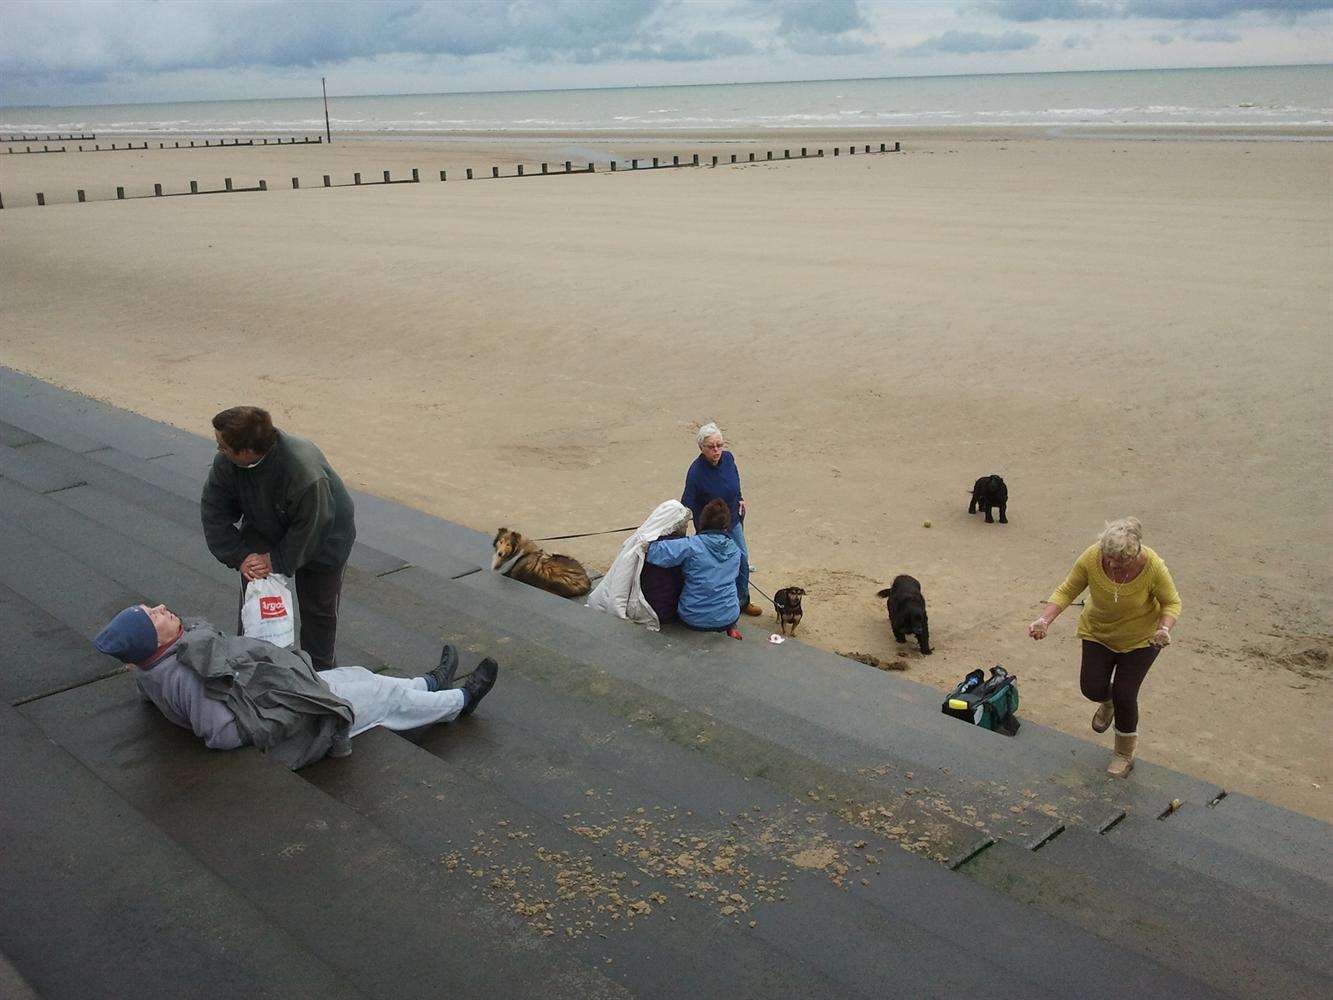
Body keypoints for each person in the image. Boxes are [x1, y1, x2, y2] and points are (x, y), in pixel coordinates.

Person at [93, 604, 498, 768]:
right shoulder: (186, 674)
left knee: (358, 674)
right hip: (295, 720)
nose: (163, 609)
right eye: (154, 616)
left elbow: (150, 691)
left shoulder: (152, 666)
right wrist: (288, 708)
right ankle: (458, 703)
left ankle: (426, 684)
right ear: (156, 641)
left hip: (281, 689)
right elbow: (222, 732)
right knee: (381, 697)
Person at [201, 406, 356, 668]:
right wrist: (241, 556)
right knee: (257, 591)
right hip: (267, 525)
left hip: (325, 535)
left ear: (247, 450)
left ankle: (320, 675)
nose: (219, 451)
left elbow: (313, 527)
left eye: (223, 446)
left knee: (319, 611)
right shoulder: (226, 464)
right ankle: (253, 664)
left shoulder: (303, 471)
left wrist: (278, 560)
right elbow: (214, 513)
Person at [1029, 517, 1181, 777]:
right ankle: (1106, 701)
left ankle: (1124, 754)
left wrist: (1164, 629)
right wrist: (1045, 619)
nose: (1112, 564)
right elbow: (1067, 590)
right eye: (1109, 557)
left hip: (1142, 639)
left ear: (1135, 554)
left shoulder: (1153, 566)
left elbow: (1172, 602)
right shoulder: (1092, 557)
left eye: (1120, 561)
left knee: (1125, 693)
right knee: (1091, 688)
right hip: (1098, 632)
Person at [681, 423, 761, 617]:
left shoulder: (728, 458)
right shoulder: (696, 473)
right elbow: (686, 504)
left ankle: (743, 600)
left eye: (719, 445)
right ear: (701, 448)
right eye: (711, 446)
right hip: (709, 529)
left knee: (741, 558)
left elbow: (735, 479)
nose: (716, 450)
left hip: (733, 520)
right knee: (714, 565)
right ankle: (717, 603)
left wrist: (740, 497)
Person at [645, 498, 743, 639]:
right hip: (729, 616)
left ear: (701, 522)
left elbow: (653, 552)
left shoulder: (691, 545)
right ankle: (730, 628)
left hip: (694, 617)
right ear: (726, 527)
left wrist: (657, 529)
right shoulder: (736, 550)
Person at [586, 500, 689, 631]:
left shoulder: (641, 544)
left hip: (652, 605)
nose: (687, 527)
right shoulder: (678, 548)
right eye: (685, 523)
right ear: (676, 526)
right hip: (664, 611)